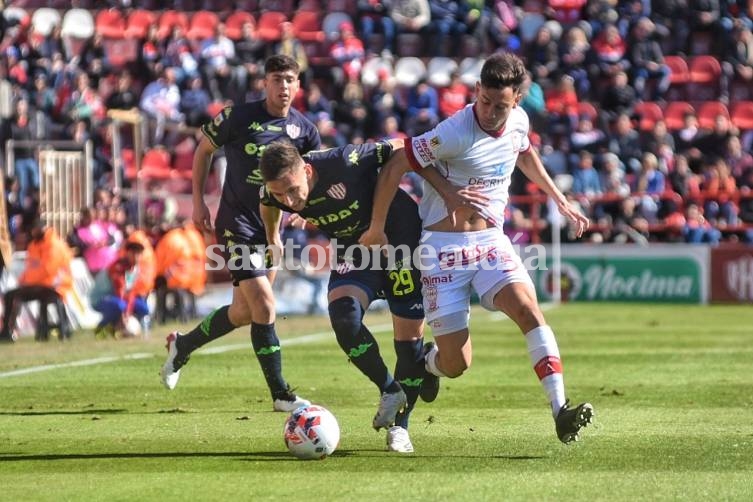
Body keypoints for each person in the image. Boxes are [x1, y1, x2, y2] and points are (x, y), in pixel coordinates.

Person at [360, 52, 595, 444]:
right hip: (442, 250)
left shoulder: (518, 122)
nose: (489, 111)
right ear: (476, 91)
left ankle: (560, 410)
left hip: (490, 243)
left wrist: (558, 199)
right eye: (485, 101)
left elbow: (524, 151)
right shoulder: (455, 130)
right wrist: (379, 226)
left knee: (529, 310)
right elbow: (400, 162)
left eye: (500, 105)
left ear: (516, 100)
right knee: (456, 364)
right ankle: (429, 364)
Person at [160, 55, 320, 413]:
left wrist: (302, 210)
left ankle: (182, 345)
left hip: (271, 228)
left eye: (290, 80)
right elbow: (204, 149)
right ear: (264, 82)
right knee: (264, 304)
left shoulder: (305, 131)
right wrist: (200, 201)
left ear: (298, 86)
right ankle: (280, 394)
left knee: (243, 312)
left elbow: (312, 175)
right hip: (237, 223)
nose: (283, 87)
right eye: (277, 79)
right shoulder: (238, 118)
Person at [259, 139, 439, 453]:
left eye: (292, 189)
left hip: (400, 239)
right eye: (280, 194)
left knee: (408, 342)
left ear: (308, 170)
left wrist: (444, 192)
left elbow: (403, 149)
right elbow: (267, 201)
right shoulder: (274, 191)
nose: (289, 199)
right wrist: (273, 237)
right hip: (354, 248)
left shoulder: (345, 160)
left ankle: (400, 427)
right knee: (343, 316)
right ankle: (389, 389)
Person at [0, 220, 73, 342]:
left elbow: (48, 270)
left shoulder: (54, 245)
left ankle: (59, 328)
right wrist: (23, 281)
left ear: (43, 229)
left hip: (55, 285)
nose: (33, 233)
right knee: (11, 295)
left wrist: (29, 281)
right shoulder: (34, 245)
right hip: (39, 285)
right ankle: (7, 331)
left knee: (16, 295)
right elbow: (30, 268)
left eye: (35, 230)